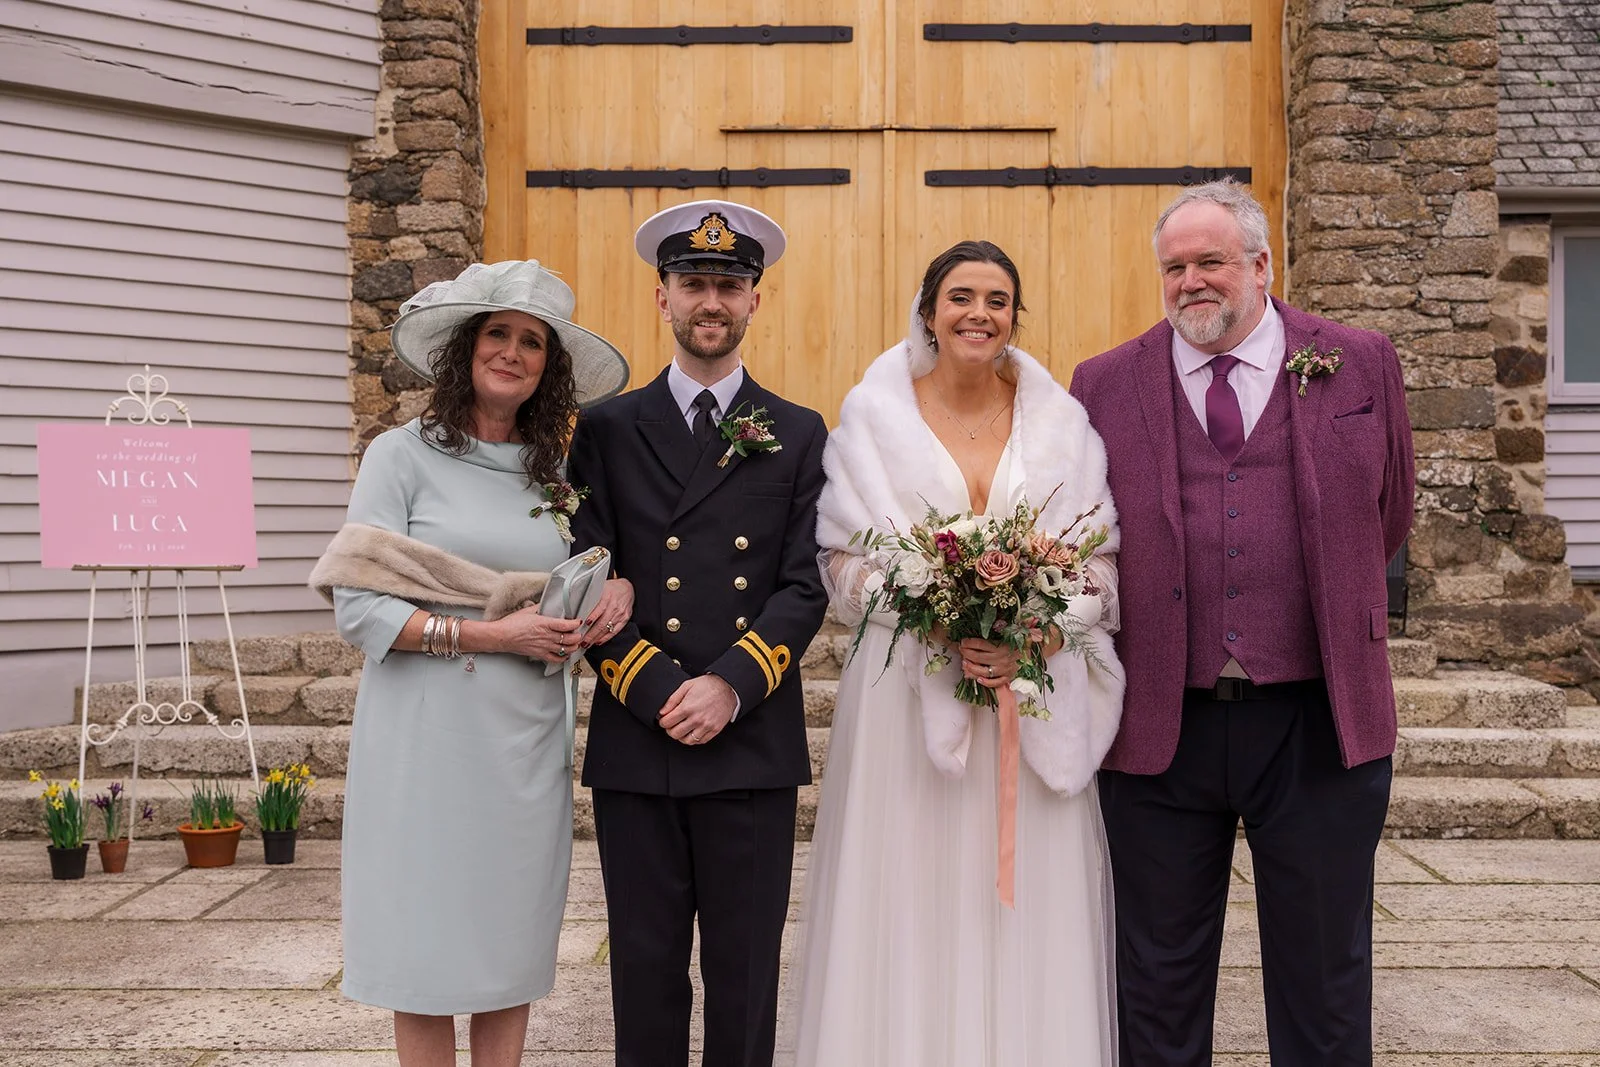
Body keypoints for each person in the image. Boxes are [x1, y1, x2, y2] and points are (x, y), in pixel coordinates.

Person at [1069, 179, 1415, 1066]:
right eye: (1174, 266)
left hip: (1317, 720)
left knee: (1325, 980)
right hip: (1161, 723)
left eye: (1211, 262)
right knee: (1156, 982)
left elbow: (1390, 513)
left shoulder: (1360, 360)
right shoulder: (1104, 382)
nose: (1192, 281)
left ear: (1262, 266)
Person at [787, 240, 1125, 1065]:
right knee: (909, 897)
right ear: (929, 310)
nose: (980, 313)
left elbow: (1103, 569)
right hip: (905, 705)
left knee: (1021, 908)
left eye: (998, 299)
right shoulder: (871, 417)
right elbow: (836, 562)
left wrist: (1039, 628)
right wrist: (925, 610)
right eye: (962, 296)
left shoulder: (1063, 424)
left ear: (1016, 317)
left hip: (1027, 696)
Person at [325, 260, 631, 1067]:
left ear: (549, 368)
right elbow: (360, 608)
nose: (513, 352)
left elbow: (576, 576)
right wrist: (492, 636)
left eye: (532, 342)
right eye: (498, 332)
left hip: (523, 745)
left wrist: (609, 592)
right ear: (465, 346)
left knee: (507, 952)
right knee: (425, 957)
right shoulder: (399, 457)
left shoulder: (551, 475)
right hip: (425, 742)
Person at [565, 199, 829, 1067]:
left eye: (728, 284)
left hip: (748, 738)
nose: (709, 300)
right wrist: (655, 687)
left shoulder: (795, 431)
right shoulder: (605, 428)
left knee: (745, 971)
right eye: (692, 283)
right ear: (661, 297)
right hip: (639, 739)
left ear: (756, 301)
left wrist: (729, 685)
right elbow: (582, 571)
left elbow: (803, 583)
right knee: (644, 969)